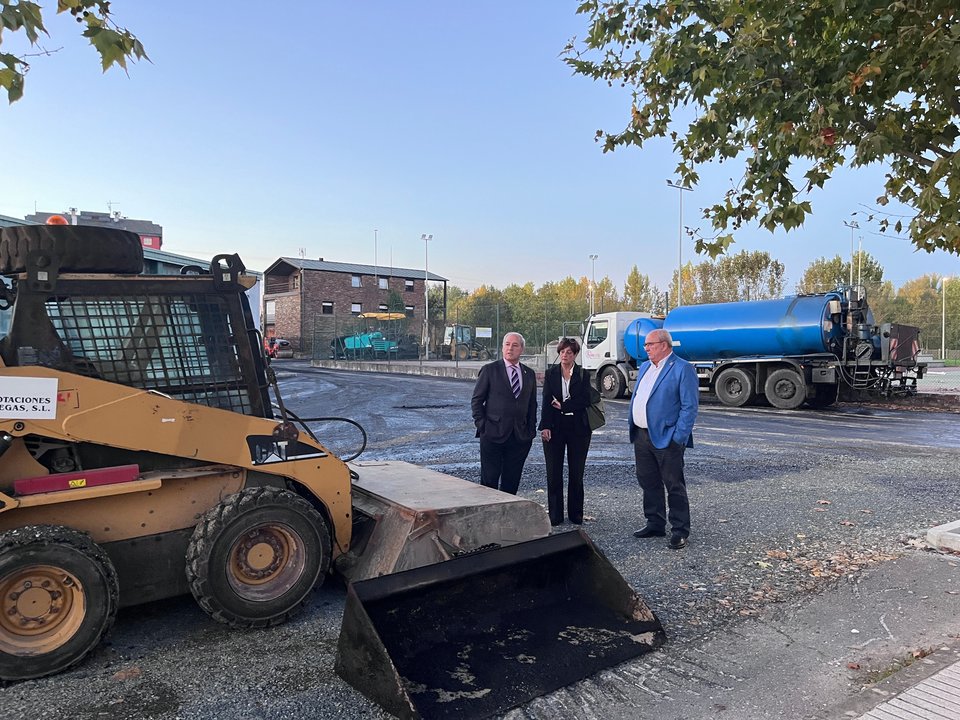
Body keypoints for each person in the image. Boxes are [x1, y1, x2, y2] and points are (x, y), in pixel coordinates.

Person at [628, 328, 699, 549]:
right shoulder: (646, 367)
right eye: (646, 345)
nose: (646, 348)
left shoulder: (682, 368)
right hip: (642, 434)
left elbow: (689, 407)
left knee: (673, 483)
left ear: (664, 345)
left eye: (650, 344)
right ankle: (655, 522)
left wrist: (678, 437)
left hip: (668, 437)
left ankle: (679, 529)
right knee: (648, 480)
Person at [471, 332, 538, 494]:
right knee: (489, 482)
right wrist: (483, 426)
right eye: (507, 344)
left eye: (515, 345)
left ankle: (507, 516)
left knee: (512, 481)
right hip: (492, 434)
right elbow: (476, 401)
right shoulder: (489, 370)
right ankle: (488, 516)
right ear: (502, 348)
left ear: (522, 349)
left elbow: (532, 405)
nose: (510, 348)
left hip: (519, 437)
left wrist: (530, 430)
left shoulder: (529, 374)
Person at [539, 337, 592, 526]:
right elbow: (546, 401)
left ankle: (576, 514)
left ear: (575, 354)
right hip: (555, 427)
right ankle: (555, 515)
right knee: (553, 472)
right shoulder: (551, 373)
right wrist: (544, 426)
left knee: (576, 473)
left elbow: (585, 400)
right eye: (562, 352)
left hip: (579, 429)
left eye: (569, 352)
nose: (565, 355)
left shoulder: (583, 375)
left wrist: (562, 405)